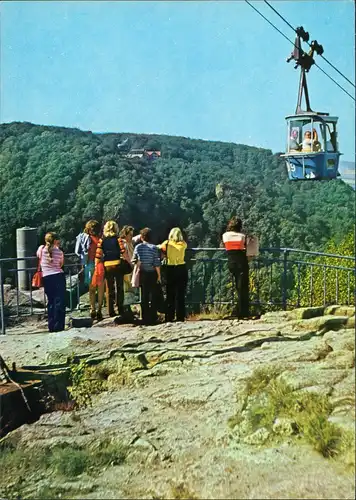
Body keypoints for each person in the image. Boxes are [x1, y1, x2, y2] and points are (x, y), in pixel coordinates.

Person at [95, 221, 127, 318]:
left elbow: (98, 254)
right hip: (117, 264)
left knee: (109, 288)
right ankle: (120, 308)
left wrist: (97, 266)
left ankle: (110, 311)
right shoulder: (118, 239)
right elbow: (123, 252)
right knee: (120, 287)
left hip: (107, 265)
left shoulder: (102, 240)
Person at [75, 220, 105, 321]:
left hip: (89, 264)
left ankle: (93, 309)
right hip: (100, 264)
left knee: (91, 288)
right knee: (100, 288)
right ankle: (99, 309)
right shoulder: (101, 239)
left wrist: (83, 265)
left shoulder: (86, 238)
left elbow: (83, 253)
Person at [37, 232, 66, 332]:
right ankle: (59, 325)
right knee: (59, 301)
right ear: (55, 241)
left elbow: (38, 256)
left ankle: (51, 325)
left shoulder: (41, 249)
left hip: (47, 277)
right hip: (58, 276)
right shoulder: (59, 252)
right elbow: (61, 264)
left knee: (51, 302)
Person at [132, 228, 161, 325]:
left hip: (142, 273)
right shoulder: (154, 248)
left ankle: (144, 317)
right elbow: (156, 263)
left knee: (144, 295)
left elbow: (134, 260)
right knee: (153, 295)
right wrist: (159, 275)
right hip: (152, 273)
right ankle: (153, 316)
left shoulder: (138, 247)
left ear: (142, 237)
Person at [222, 217, 249, 319]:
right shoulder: (242, 236)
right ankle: (243, 312)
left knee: (237, 287)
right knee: (242, 288)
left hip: (231, 263)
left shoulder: (225, 236)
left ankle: (237, 310)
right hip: (242, 263)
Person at [158, 227, 188, 322]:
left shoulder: (167, 243)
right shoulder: (183, 244)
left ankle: (169, 316)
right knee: (181, 295)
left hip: (170, 269)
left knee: (170, 294)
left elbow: (159, 247)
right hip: (181, 268)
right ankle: (180, 316)